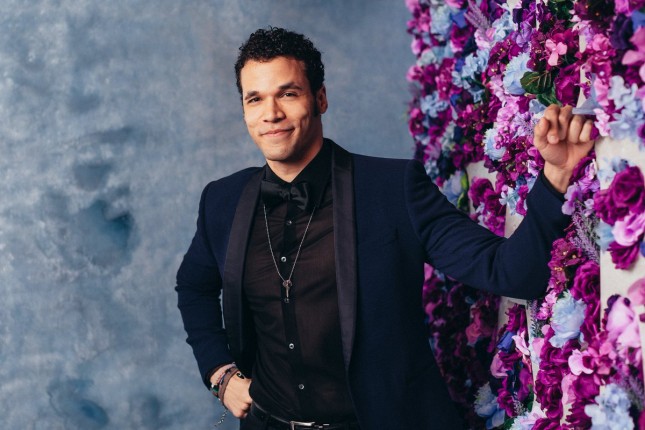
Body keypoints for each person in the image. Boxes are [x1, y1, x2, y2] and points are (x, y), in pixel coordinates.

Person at [175, 27, 595, 430]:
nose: (271, 114)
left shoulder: (394, 189)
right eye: (255, 99)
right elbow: (193, 287)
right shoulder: (222, 201)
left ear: (320, 98)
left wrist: (555, 179)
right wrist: (220, 372)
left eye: (288, 93)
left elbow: (510, 272)